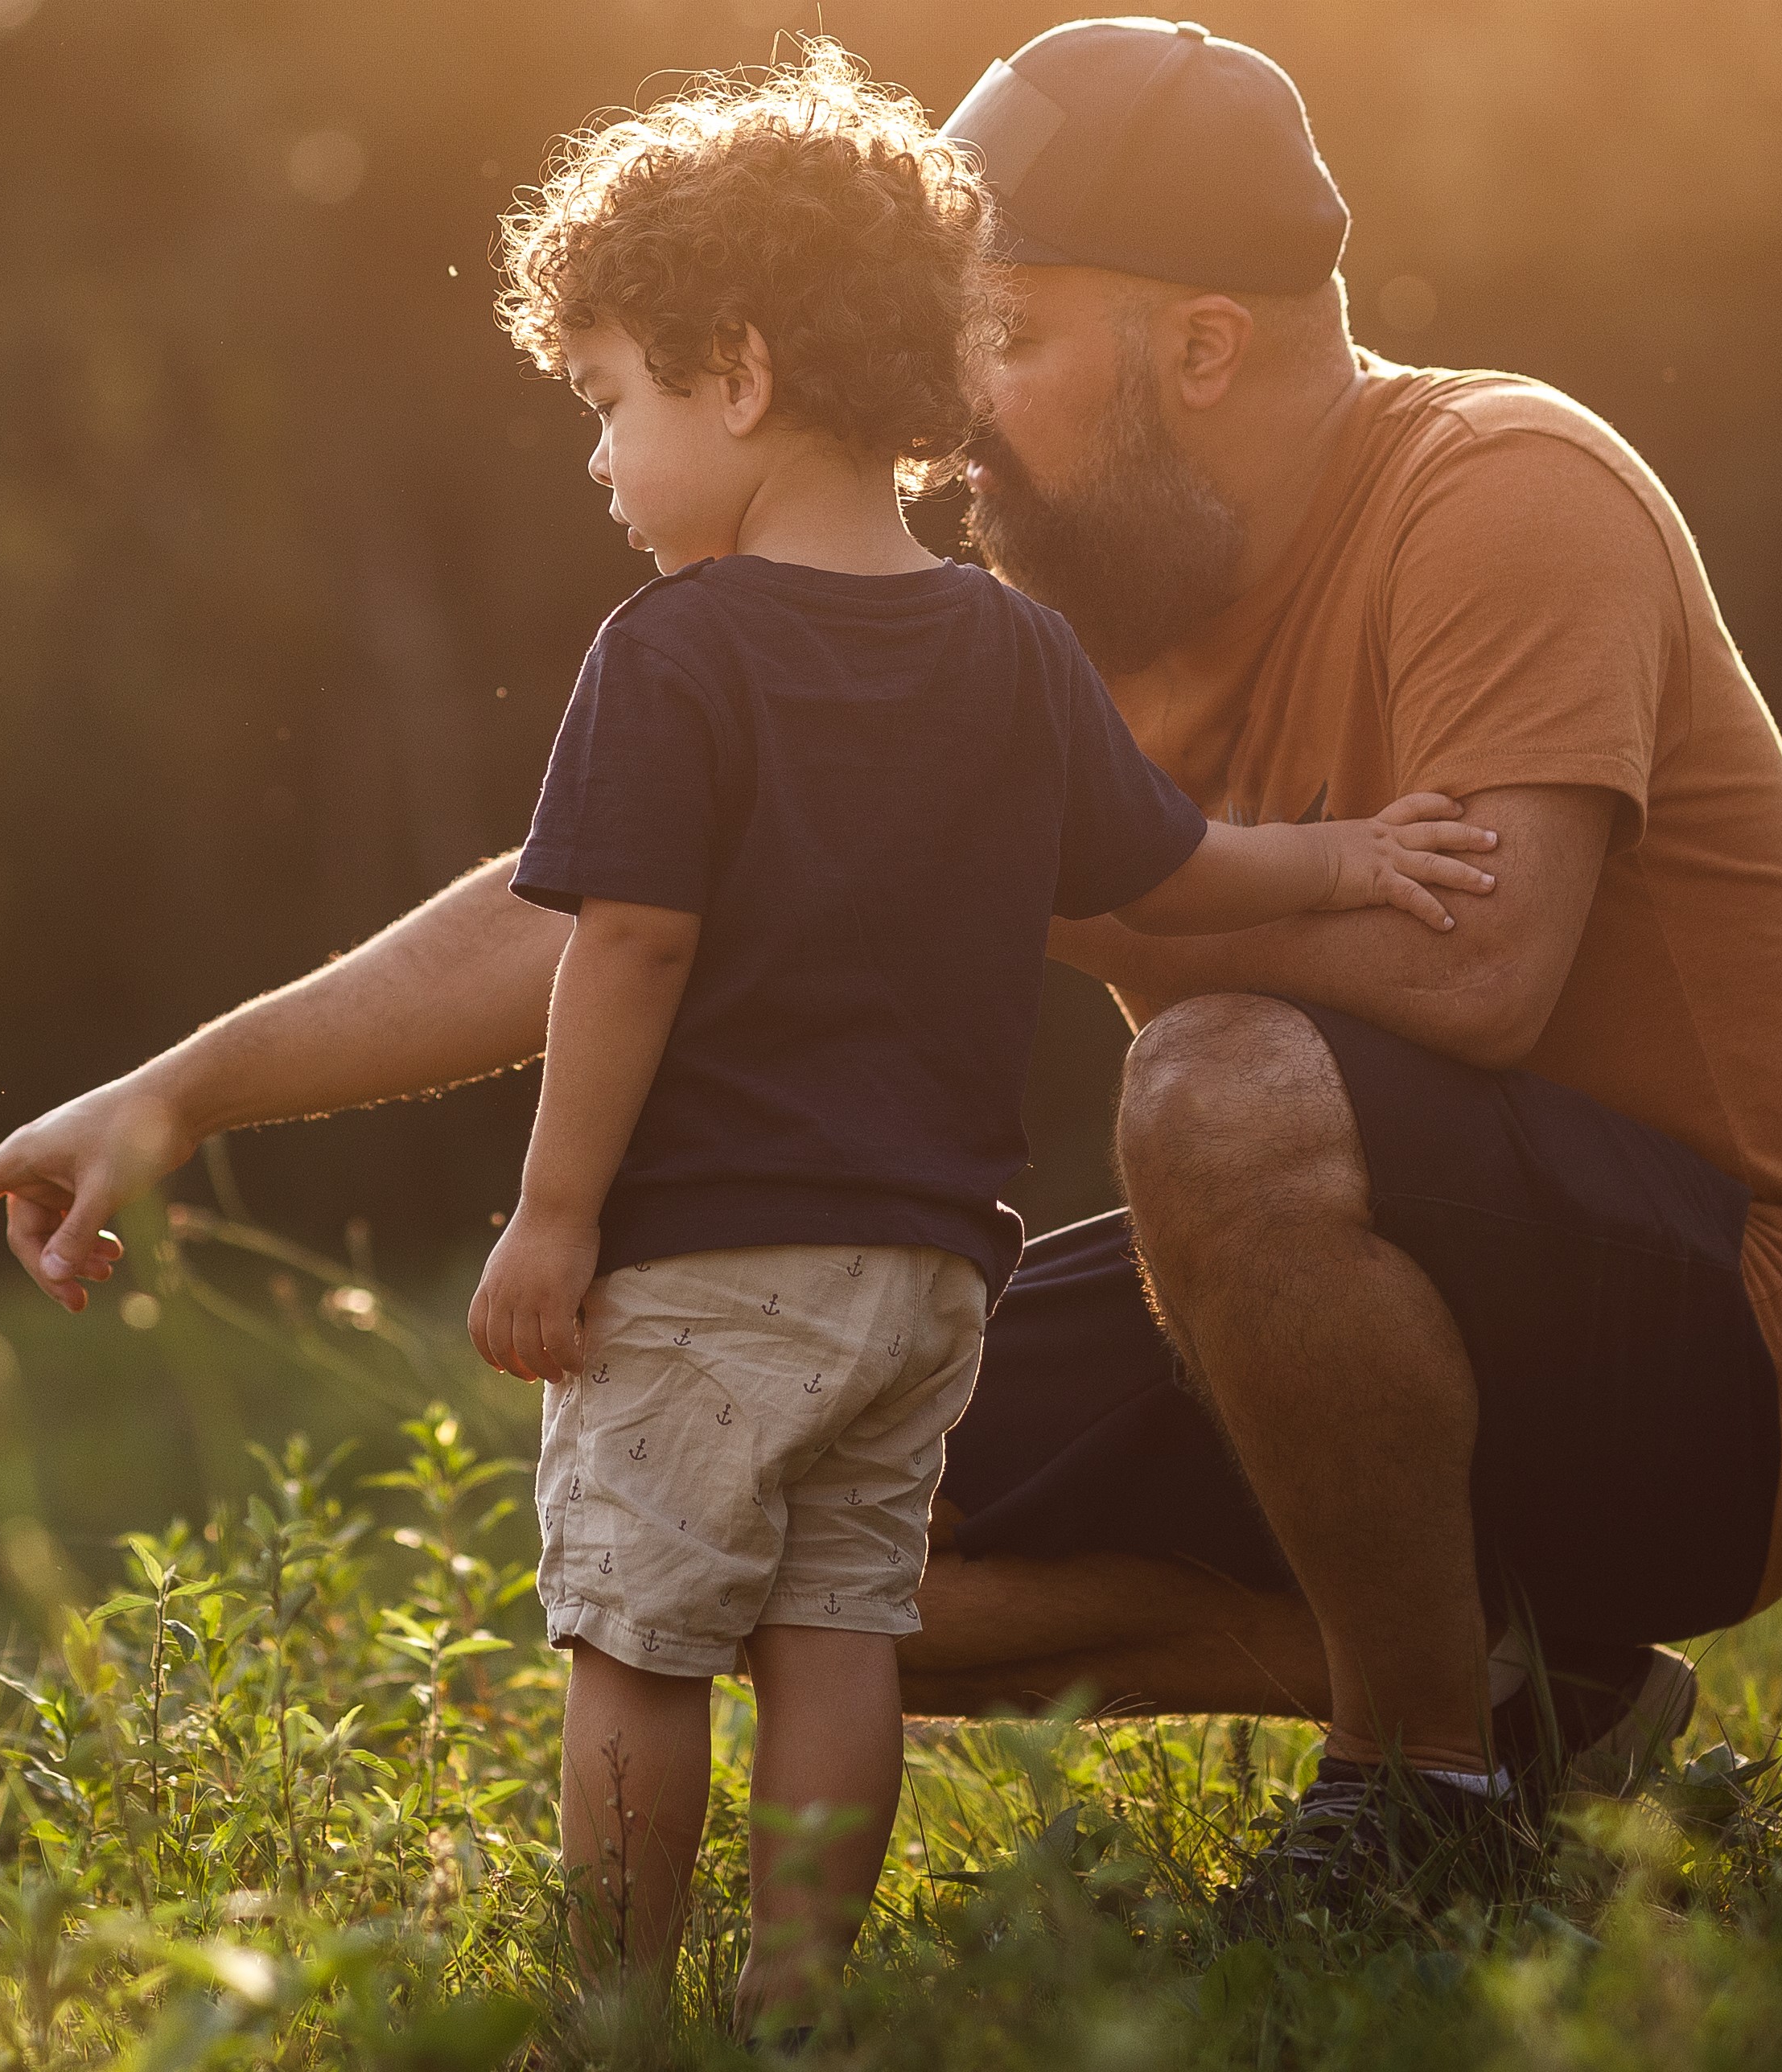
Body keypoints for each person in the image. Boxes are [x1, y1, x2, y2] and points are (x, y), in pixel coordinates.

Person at [0, 17, 1782, 1919]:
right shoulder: (1052, 615)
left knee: (1214, 1084)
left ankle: (1426, 1795)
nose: (957, 408)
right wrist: (177, 1089)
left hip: (1743, 1355)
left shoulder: (1504, 491)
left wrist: (988, 882)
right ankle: (1531, 1692)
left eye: (1014, 340)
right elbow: (601, 888)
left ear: (1204, 349)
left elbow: (1490, 981)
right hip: (1341, 1290)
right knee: (792, 1494)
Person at [454, 43, 1503, 2024]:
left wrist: (555, 1214)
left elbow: (632, 950)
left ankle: (611, 2007)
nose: (600, 463)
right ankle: (799, 1992)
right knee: (840, 1629)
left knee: (643, 1637)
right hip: (925, 1275)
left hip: (702, 1259)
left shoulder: (669, 653)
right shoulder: (1009, 647)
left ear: (742, 374)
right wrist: (1354, 860)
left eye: (610, 405)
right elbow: (1179, 868)